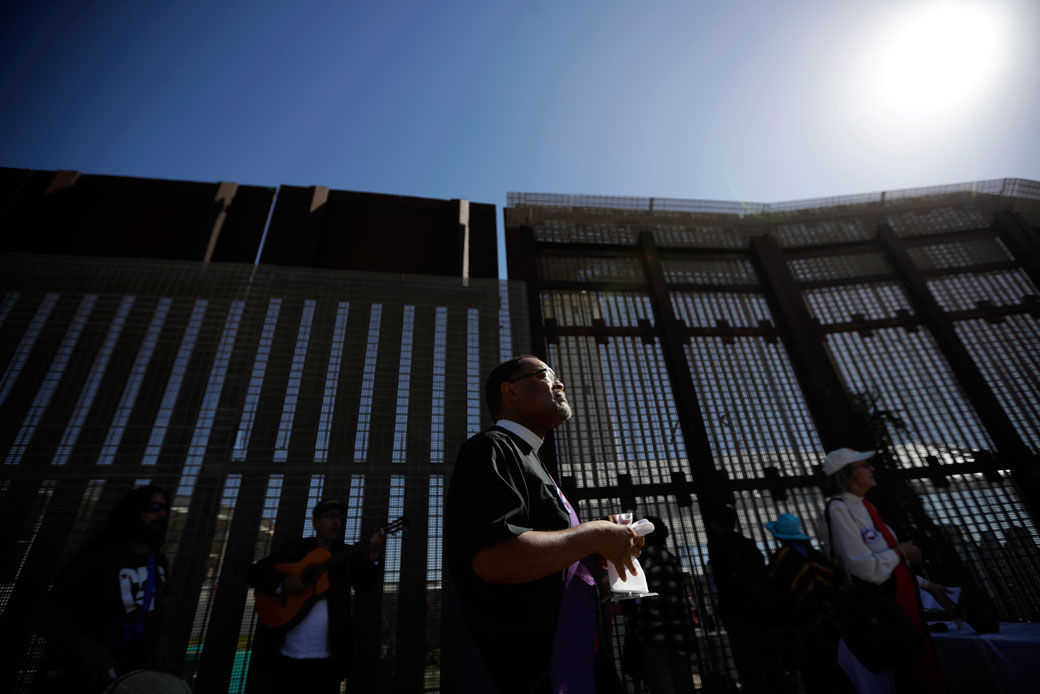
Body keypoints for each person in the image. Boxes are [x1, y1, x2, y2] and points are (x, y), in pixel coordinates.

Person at [444, 355, 643, 694]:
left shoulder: (529, 458)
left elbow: (545, 558)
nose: (559, 383)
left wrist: (595, 555)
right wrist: (594, 533)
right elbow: (497, 560)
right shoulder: (491, 448)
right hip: (531, 670)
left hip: (573, 660)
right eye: (546, 375)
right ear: (511, 392)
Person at [821, 448, 956, 693]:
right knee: (905, 675)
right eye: (864, 465)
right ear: (846, 475)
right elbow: (864, 568)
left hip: (901, 598)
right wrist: (901, 553)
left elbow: (887, 566)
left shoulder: (867, 506)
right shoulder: (839, 508)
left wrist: (926, 585)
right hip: (883, 607)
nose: (872, 469)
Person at [31, 485, 176, 693]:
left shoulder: (158, 561)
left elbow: (165, 600)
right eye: (153, 507)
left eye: (165, 509)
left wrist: (162, 638)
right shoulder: (98, 559)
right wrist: (86, 647)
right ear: (132, 512)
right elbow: (43, 619)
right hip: (89, 676)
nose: (161, 514)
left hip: (136, 669)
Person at [246, 497, 385, 694]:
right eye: (329, 516)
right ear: (315, 522)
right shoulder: (295, 549)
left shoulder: (345, 554)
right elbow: (254, 573)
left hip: (329, 658)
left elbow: (365, 584)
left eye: (339, 516)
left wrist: (373, 555)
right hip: (287, 655)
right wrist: (283, 583)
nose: (336, 521)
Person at [705, 504, 795, 694]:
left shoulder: (718, 547)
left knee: (753, 671)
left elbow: (726, 584)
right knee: (777, 669)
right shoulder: (748, 544)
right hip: (767, 613)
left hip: (742, 618)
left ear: (714, 525)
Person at [763, 512, 853, 694]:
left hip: (803, 624)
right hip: (833, 622)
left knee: (816, 672)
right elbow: (837, 581)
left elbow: (774, 592)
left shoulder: (781, 557)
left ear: (779, 536)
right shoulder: (816, 555)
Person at [623, 515, 696, 694]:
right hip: (680, 633)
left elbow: (631, 600)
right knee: (683, 682)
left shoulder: (644, 560)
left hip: (653, 633)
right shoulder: (672, 559)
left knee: (662, 683)